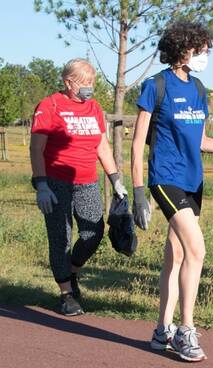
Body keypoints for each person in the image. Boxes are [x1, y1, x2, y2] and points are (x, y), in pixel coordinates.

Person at [131, 21, 213, 362]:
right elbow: (136, 142)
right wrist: (138, 190)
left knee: (175, 257)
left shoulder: (199, 89)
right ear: (182, 49)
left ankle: (161, 331)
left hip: (193, 181)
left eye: (207, 49)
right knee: (197, 250)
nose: (205, 55)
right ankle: (186, 330)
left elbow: (201, 141)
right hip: (165, 178)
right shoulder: (156, 86)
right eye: (200, 49)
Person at [30, 58, 128, 316]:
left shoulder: (94, 107)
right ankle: (66, 294)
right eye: (84, 82)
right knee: (60, 237)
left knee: (93, 232)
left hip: (86, 181)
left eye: (92, 82)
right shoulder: (49, 106)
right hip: (55, 181)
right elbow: (36, 148)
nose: (89, 87)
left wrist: (115, 179)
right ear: (68, 82)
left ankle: (72, 271)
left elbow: (101, 146)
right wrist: (41, 184)